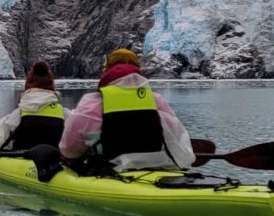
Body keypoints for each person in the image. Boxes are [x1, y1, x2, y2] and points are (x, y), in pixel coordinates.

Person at [58, 48, 194, 171]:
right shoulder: (156, 100)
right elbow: (176, 136)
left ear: (108, 70)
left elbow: (69, 150)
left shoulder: (93, 103)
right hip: (157, 167)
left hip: (109, 169)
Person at [0, 61, 67, 151]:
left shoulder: (17, 115)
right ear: (52, 87)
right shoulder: (64, 114)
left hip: (21, 160)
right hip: (54, 161)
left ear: (28, 86)